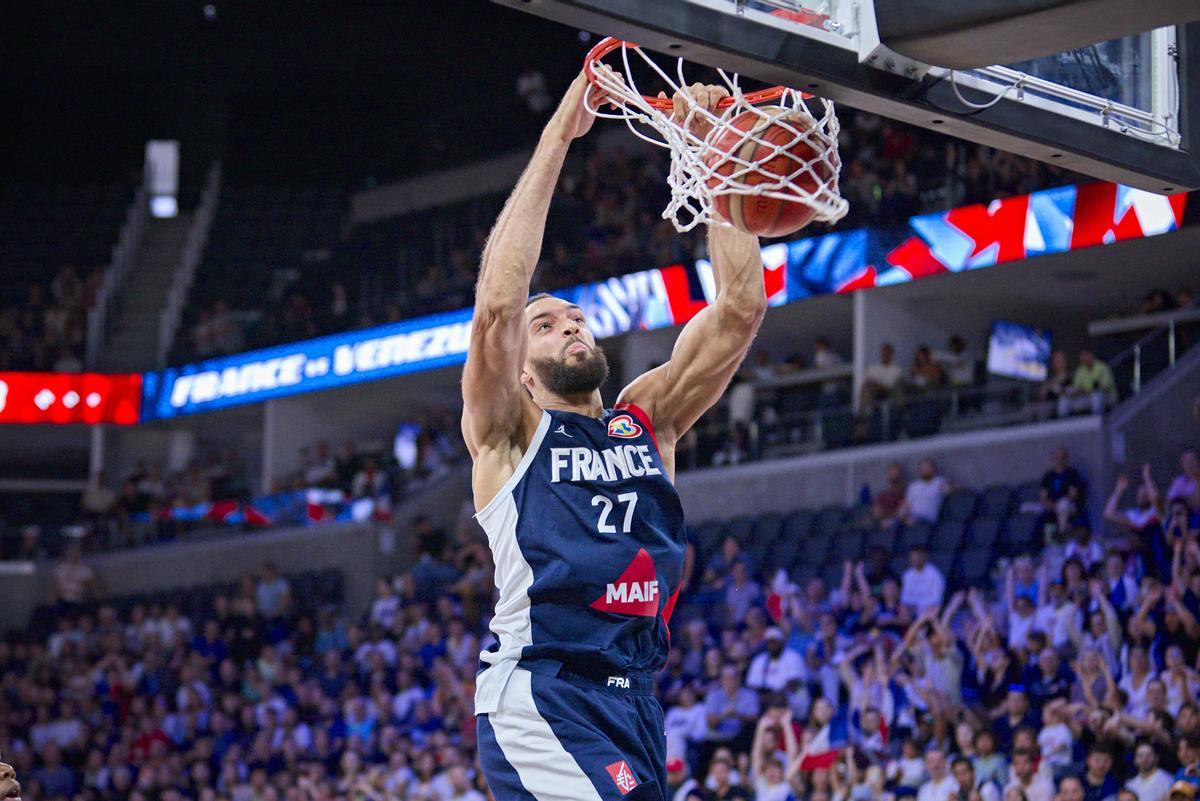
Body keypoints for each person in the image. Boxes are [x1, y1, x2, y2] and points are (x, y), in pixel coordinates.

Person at [463, 75, 772, 801]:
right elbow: (497, 308)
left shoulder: (647, 419)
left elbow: (740, 307)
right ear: (524, 376)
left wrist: (714, 157)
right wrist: (559, 136)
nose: (569, 324)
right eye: (548, 325)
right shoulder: (512, 434)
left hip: (634, 697)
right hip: (543, 688)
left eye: (574, 315)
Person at [1040, 447, 1086, 535]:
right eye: (1056, 457)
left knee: (1063, 506)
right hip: (1050, 504)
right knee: (1025, 508)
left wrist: (1056, 504)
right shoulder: (1048, 475)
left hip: (1068, 504)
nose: (1059, 460)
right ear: (1052, 459)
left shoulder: (1072, 473)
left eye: (1062, 457)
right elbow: (1043, 495)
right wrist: (1047, 503)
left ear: (1066, 459)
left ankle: (1062, 534)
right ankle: (1038, 541)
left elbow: (1073, 495)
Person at [1061, 348, 1116, 416]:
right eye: (1081, 357)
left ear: (1091, 355)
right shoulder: (1080, 370)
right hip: (1086, 397)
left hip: (1106, 397)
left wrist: (1088, 391)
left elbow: (1106, 388)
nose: (1083, 358)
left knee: (1096, 396)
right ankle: (1064, 421)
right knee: (1064, 399)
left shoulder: (1102, 367)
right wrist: (1074, 392)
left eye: (1085, 355)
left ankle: (1097, 419)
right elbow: (1076, 388)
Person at [900, 458, 953, 525]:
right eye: (923, 467)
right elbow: (906, 505)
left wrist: (950, 487)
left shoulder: (939, 482)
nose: (926, 469)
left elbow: (953, 490)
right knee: (888, 524)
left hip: (927, 519)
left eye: (928, 467)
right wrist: (902, 516)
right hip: (910, 517)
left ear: (934, 468)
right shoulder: (913, 486)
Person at [861, 343, 904, 411]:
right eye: (884, 354)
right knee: (866, 387)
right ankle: (864, 415)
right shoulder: (873, 368)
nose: (885, 356)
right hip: (876, 392)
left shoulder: (896, 370)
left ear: (891, 355)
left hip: (889, 392)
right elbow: (869, 381)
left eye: (888, 354)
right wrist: (877, 385)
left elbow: (891, 386)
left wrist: (877, 384)